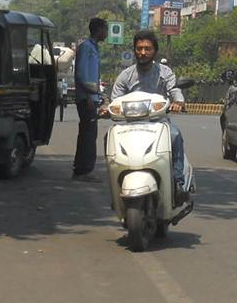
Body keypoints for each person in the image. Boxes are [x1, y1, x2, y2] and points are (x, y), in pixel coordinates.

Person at [110, 30, 188, 198]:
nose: (143, 53)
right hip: (129, 125)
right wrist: (106, 108)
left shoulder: (164, 72)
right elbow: (115, 100)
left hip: (158, 123)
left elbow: (174, 89)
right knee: (109, 138)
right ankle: (115, 185)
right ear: (134, 51)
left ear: (155, 51)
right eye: (139, 49)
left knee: (174, 136)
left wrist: (178, 102)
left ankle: (177, 182)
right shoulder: (126, 75)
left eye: (147, 49)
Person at [72, 17, 107, 181]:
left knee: (88, 133)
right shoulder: (87, 48)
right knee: (88, 134)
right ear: (99, 30)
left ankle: (81, 169)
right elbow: (82, 75)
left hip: (91, 96)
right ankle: (83, 170)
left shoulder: (93, 47)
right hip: (87, 98)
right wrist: (88, 97)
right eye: (105, 29)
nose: (106, 33)